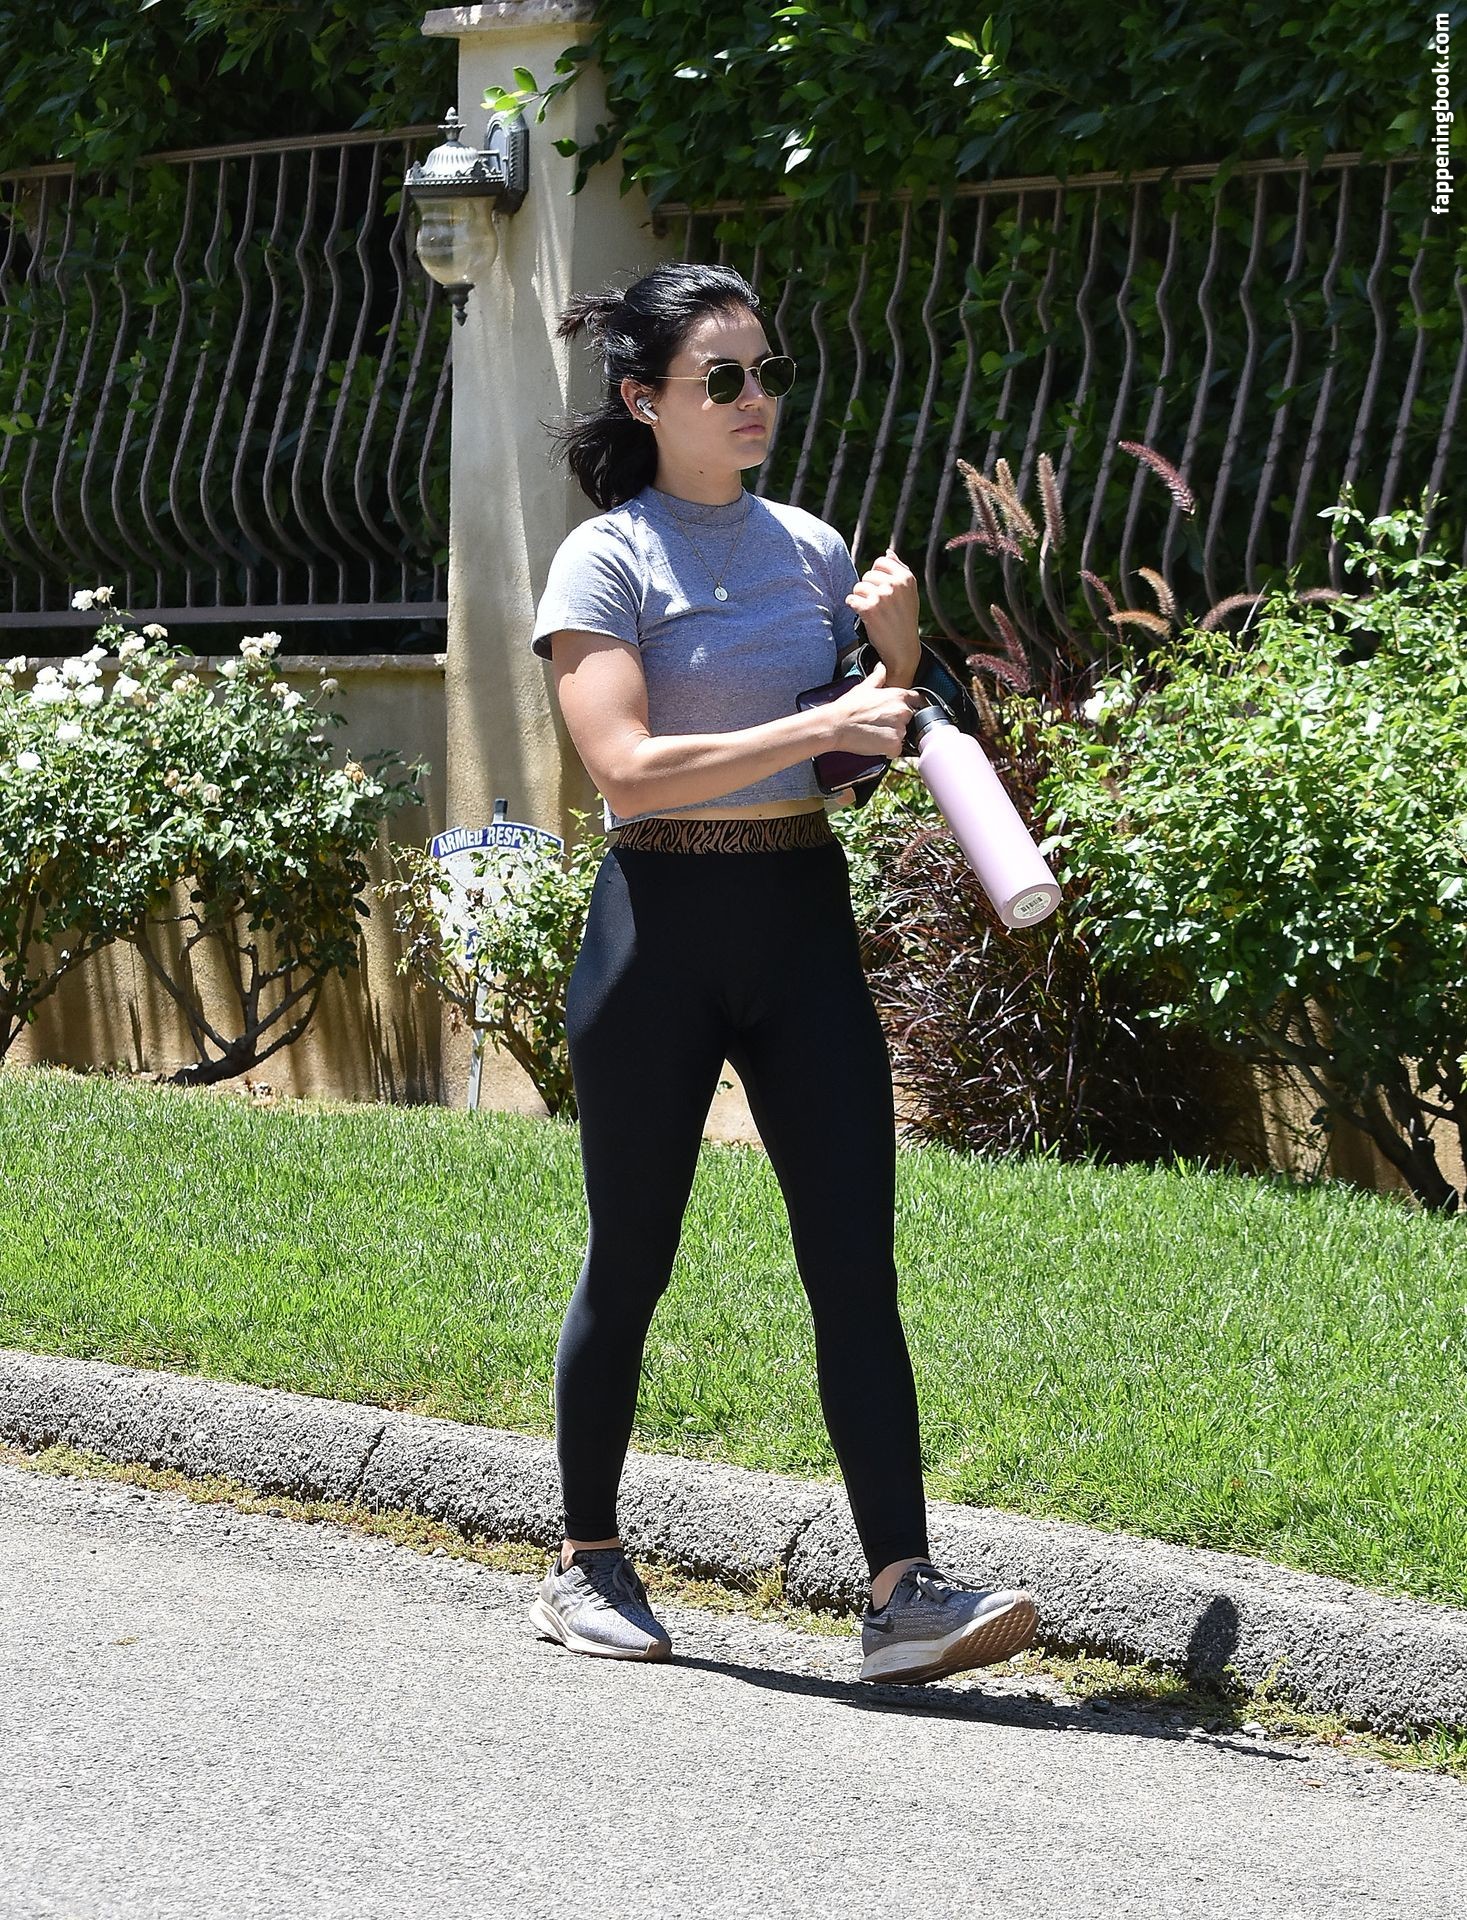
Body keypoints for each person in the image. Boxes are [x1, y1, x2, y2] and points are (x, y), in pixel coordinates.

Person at [524, 261, 1037, 1686]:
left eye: (768, 374)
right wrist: (819, 719)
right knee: (632, 1255)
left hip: (800, 918)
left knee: (854, 1262)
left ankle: (902, 1593)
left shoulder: (812, 548)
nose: (756, 400)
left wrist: (898, 655)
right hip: (657, 928)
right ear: (648, 400)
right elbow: (626, 767)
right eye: (724, 379)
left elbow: (844, 766)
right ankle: (585, 1559)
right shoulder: (606, 560)